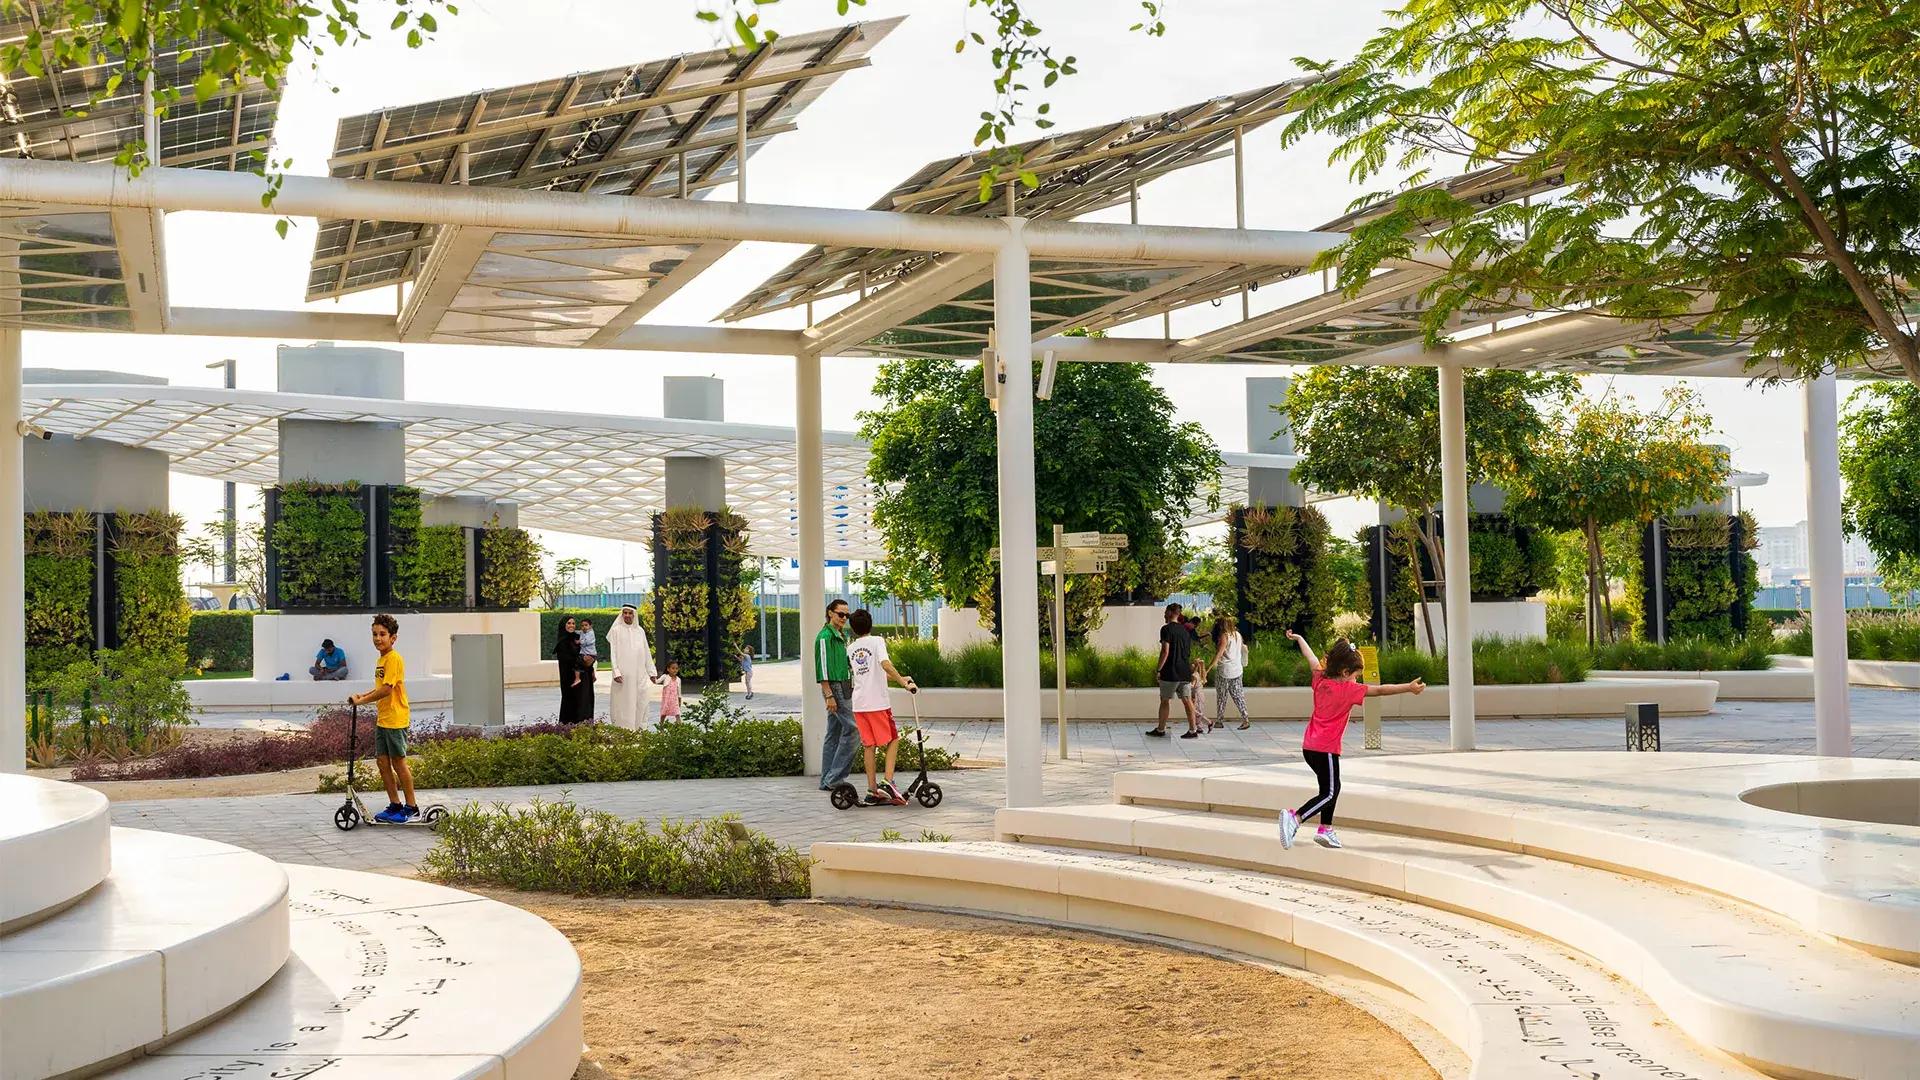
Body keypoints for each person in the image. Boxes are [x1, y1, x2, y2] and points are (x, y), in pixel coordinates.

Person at [1278, 632, 1425, 850]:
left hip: (1309, 747)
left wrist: (1300, 639)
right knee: (1329, 792)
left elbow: (1311, 658)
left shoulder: (1320, 678)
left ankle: (1326, 829)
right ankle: (1295, 818)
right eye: (1356, 675)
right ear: (1345, 672)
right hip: (1326, 749)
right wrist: (1408, 688)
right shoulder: (1347, 689)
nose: (1357, 680)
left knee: (1331, 788)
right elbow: (1380, 690)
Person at [348, 614, 417, 824]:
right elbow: (380, 687)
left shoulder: (394, 658)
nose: (378, 638)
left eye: (382, 634)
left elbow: (387, 690)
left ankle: (412, 807)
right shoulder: (382, 660)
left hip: (395, 718)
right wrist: (362, 696)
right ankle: (395, 804)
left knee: (399, 763)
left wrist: (362, 701)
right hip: (384, 718)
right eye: (374, 634)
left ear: (393, 638)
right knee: (382, 763)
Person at [847, 608, 917, 805]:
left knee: (869, 746)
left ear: (853, 628)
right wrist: (904, 684)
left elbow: (870, 673)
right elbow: (885, 665)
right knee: (893, 739)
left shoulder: (851, 648)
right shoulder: (877, 641)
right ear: (871, 624)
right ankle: (887, 782)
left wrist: (901, 677)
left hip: (859, 704)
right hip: (877, 703)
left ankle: (872, 791)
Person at [814, 599, 859, 792]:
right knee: (855, 730)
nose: (844, 618)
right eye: (841, 614)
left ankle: (827, 780)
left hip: (844, 685)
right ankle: (835, 778)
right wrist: (829, 695)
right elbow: (822, 668)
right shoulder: (825, 637)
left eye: (847, 615)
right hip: (835, 687)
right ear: (830, 613)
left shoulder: (840, 635)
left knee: (834, 733)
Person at [1147, 602, 1202, 739]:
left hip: (1170, 672)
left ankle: (1161, 729)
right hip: (1184, 671)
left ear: (1170, 613)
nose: (1164, 614)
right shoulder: (1185, 631)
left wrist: (1158, 669)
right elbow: (1187, 653)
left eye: (1165, 612)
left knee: (1165, 700)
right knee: (1187, 700)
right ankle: (1193, 730)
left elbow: (1165, 651)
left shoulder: (1166, 629)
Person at [607, 603, 656, 730]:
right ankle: (623, 730)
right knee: (623, 702)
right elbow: (613, 653)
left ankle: (639, 728)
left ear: (634, 615)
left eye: (630, 613)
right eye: (625, 613)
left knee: (641, 700)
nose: (627, 615)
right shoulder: (616, 631)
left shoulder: (640, 631)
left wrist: (651, 672)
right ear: (622, 614)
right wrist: (616, 672)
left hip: (639, 674)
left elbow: (646, 651)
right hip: (623, 676)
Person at [1211, 615, 1251, 731]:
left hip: (1225, 670)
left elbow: (1220, 653)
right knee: (1238, 695)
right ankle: (1245, 719)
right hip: (1237, 669)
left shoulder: (1225, 636)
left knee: (1222, 696)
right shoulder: (1238, 635)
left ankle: (1219, 720)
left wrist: (1211, 666)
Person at [553, 617, 582, 724]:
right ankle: (566, 726)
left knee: (581, 701)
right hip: (568, 676)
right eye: (569, 623)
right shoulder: (562, 642)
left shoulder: (578, 638)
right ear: (563, 625)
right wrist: (581, 659)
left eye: (573, 623)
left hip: (581, 675)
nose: (571, 625)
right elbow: (567, 659)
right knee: (569, 700)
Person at [574, 617, 598, 721]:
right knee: (580, 665)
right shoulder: (583, 632)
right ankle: (589, 675)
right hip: (584, 654)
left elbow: (588, 642)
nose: (584, 627)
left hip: (590, 654)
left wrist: (579, 642)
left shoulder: (590, 633)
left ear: (590, 626)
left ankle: (578, 678)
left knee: (578, 664)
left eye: (586, 625)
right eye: (582, 625)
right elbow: (578, 632)